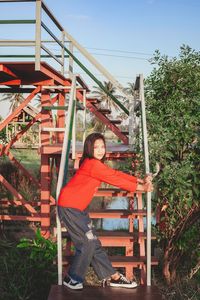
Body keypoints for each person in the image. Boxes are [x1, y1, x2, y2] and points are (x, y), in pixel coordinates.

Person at [58, 132, 153, 290]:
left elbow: (115, 174)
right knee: (87, 242)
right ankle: (73, 278)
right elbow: (115, 180)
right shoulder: (92, 165)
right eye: (96, 147)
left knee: (94, 243)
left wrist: (139, 180)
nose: (100, 150)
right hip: (69, 207)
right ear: (89, 148)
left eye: (102, 146)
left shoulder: (95, 164)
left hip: (77, 209)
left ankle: (113, 277)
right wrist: (142, 188)